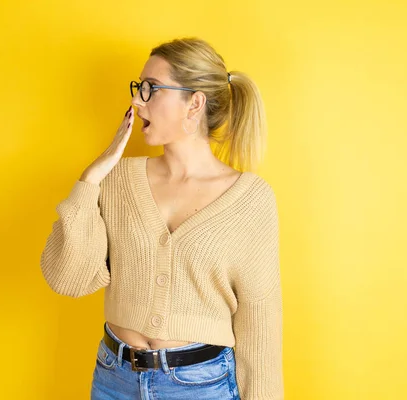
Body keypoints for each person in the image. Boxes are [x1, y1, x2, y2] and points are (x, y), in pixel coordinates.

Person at [40, 37, 283, 399]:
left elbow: (260, 325)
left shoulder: (251, 200)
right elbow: (69, 279)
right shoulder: (118, 180)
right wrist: (90, 180)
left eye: (151, 89)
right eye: (139, 88)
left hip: (201, 386)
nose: (137, 101)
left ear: (194, 103)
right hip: (114, 380)